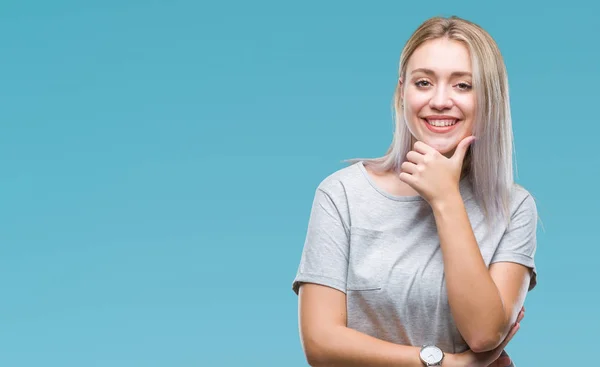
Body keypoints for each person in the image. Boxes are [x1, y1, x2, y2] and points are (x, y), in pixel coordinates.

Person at [291, 15, 538, 367]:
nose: (439, 100)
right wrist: (440, 363)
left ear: (490, 98)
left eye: (463, 86)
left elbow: (484, 333)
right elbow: (320, 343)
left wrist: (445, 197)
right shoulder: (341, 194)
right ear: (401, 92)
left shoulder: (513, 207)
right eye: (424, 83)